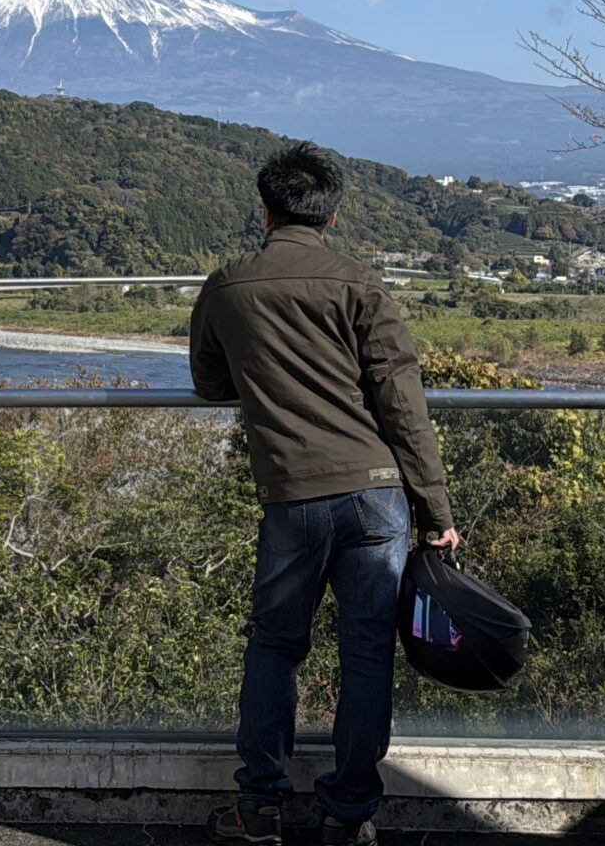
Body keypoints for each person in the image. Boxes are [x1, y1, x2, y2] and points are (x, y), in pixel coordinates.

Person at [192, 141, 459, 846]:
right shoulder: (361, 285)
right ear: (332, 215)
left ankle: (260, 809)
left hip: (292, 494)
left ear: (266, 207)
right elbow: (403, 405)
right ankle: (348, 816)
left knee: (275, 646)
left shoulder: (226, 287)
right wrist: (436, 511)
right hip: (376, 494)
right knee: (367, 651)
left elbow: (211, 384)